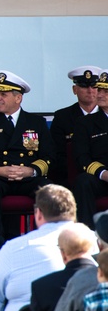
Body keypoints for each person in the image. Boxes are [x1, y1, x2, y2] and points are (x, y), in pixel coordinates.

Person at [0, 71, 52, 254]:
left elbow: (48, 155)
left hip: (28, 177)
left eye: (3, 95)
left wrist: (31, 171)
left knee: (48, 189)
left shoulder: (36, 122)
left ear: (18, 98)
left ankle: (46, 239)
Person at [49, 65, 101, 185]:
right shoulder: (62, 117)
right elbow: (57, 155)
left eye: (94, 86)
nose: (90, 90)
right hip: (73, 177)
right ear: (74, 89)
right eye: (84, 86)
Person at [70, 70, 108, 228]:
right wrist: (103, 173)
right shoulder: (85, 123)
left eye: (105, 91)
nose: (99, 94)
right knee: (83, 181)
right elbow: (82, 157)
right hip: (100, 177)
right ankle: (88, 234)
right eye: (99, 90)